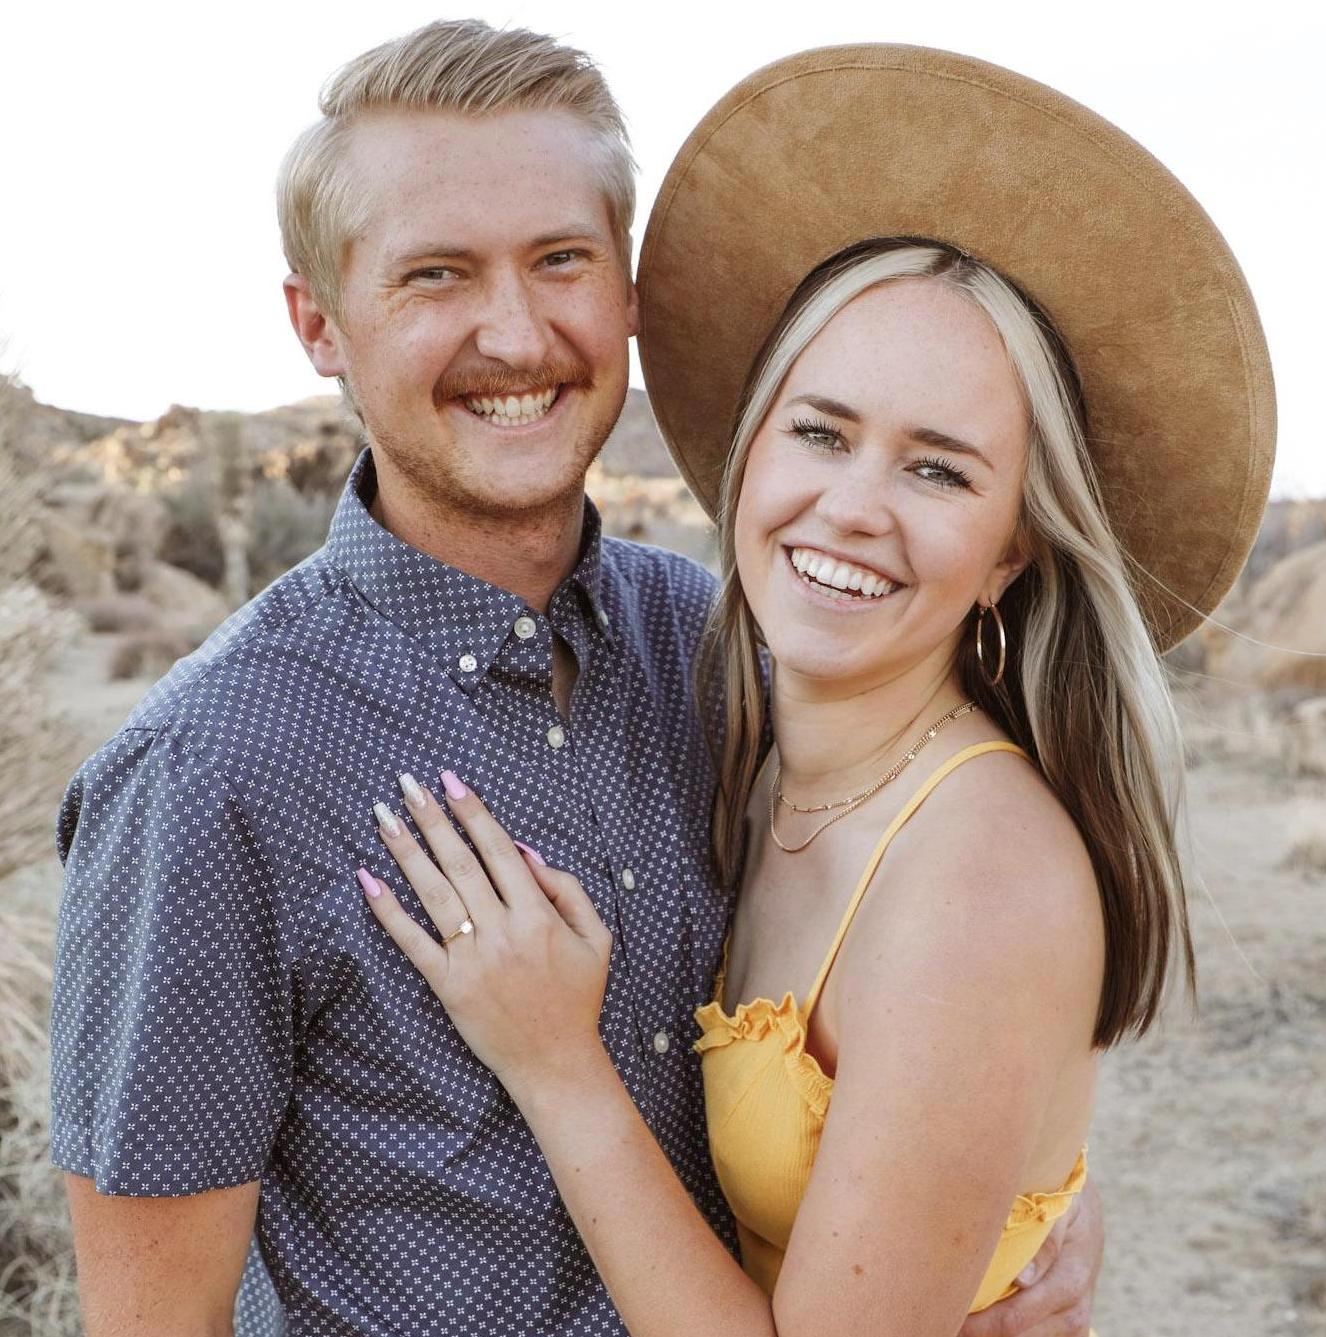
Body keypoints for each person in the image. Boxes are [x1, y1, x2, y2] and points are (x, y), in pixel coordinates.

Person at [48, 25, 1105, 1336]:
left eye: (560, 261)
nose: (515, 329)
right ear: (318, 322)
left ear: (628, 296)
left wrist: (1008, 1207)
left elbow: (937, 984)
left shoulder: (716, 647)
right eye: (436, 274)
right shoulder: (208, 773)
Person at [358, 43, 1275, 1337]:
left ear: (1013, 547)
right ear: (750, 446)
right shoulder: (730, 728)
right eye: (822, 431)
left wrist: (559, 1071)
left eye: (939, 470)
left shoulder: (979, 872)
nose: (850, 509)